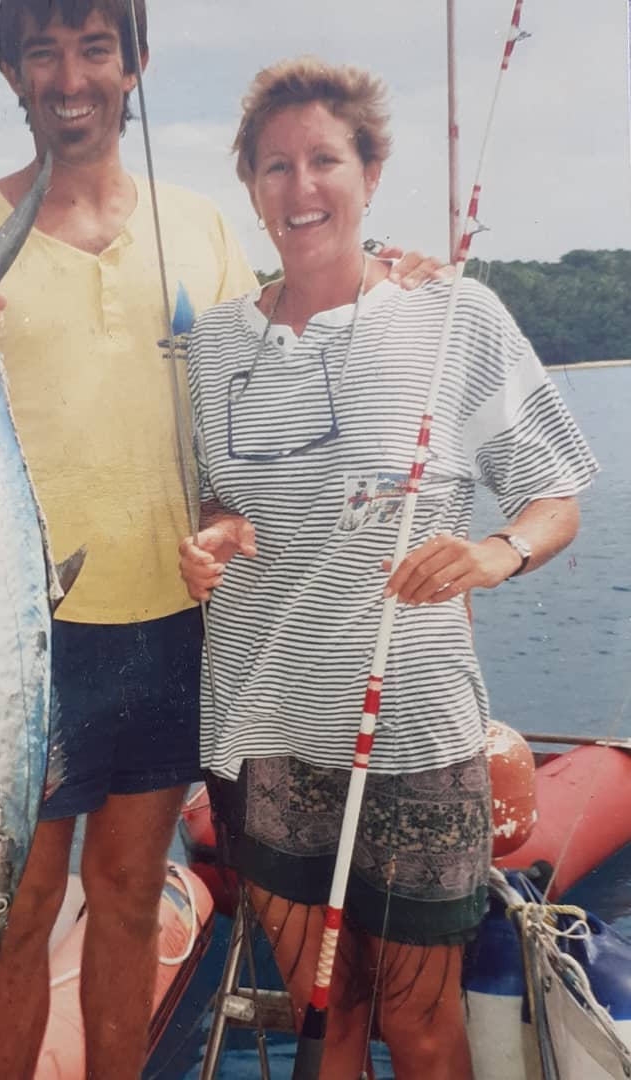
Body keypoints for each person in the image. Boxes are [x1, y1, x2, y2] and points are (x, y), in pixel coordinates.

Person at [0, 5, 441, 1074]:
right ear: (10, 73)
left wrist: (389, 281)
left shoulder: (198, 225)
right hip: (16, 635)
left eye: (94, 47)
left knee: (131, 899)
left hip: (170, 618)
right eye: (41, 51)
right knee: (15, 910)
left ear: (135, 63)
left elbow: (267, 388)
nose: (69, 75)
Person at [178, 58, 598, 1079]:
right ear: (250, 184)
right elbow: (220, 496)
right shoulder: (213, 344)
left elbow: (555, 497)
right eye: (275, 166)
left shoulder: (456, 316)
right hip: (261, 729)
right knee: (327, 1012)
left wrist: (493, 553)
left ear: (370, 171)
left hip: (411, 729)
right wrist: (214, 532)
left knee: (417, 1026)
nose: (300, 186)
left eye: (325, 158)